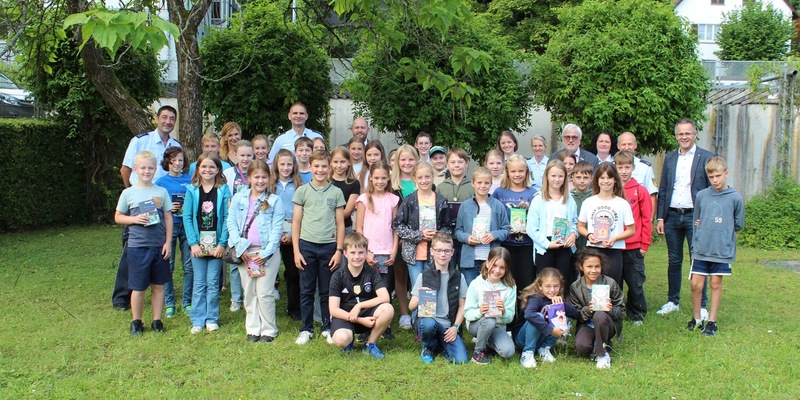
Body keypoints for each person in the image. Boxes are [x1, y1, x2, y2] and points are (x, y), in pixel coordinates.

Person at [113, 106, 180, 311]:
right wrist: (133, 194)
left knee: (157, 249)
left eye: (172, 119)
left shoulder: (176, 145)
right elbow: (125, 169)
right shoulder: (141, 141)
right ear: (157, 119)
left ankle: (154, 293)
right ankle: (122, 296)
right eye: (165, 117)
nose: (168, 121)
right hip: (140, 202)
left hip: (160, 201)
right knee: (131, 250)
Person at [656, 118, 715, 318]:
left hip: (695, 217)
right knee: (674, 260)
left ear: (695, 134)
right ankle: (673, 301)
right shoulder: (671, 158)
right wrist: (660, 218)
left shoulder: (706, 157)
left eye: (687, 133)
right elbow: (663, 189)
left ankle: (703, 305)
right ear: (676, 136)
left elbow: (711, 191)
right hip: (672, 216)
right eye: (680, 134)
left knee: (698, 261)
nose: (684, 137)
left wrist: (706, 218)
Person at [114, 151, 173, 335]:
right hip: (137, 247)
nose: (147, 171)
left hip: (158, 246)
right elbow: (118, 217)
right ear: (136, 170)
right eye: (143, 168)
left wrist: (168, 243)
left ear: (155, 169)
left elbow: (168, 218)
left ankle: (157, 320)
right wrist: (134, 219)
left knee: (158, 286)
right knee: (138, 287)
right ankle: (136, 321)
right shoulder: (128, 193)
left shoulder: (161, 192)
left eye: (150, 168)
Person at [292, 150, 346, 345]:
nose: (320, 170)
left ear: (329, 167)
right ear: (310, 167)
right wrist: (296, 251)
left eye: (324, 166)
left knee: (327, 290)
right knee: (306, 289)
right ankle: (306, 328)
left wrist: (339, 251)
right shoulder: (302, 191)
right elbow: (296, 223)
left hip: (329, 247)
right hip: (307, 246)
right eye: (317, 166)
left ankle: (327, 326)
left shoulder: (336, 192)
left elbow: (340, 224)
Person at [687, 156, 744, 336]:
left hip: (721, 250)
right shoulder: (702, 195)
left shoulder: (735, 197)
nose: (715, 180)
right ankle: (697, 319)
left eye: (718, 176)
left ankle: (712, 321)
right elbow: (697, 219)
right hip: (701, 248)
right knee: (696, 284)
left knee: (715, 283)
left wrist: (722, 230)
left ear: (726, 173)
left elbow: (739, 223)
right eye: (711, 177)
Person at [227, 160, 284, 343]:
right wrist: (240, 247)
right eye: (256, 177)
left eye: (264, 177)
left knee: (265, 291)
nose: (260, 181)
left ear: (269, 178)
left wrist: (266, 253)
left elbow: (276, 229)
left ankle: (268, 329)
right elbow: (232, 223)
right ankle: (253, 328)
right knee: (249, 291)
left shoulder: (274, 201)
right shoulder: (239, 198)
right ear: (249, 178)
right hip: (245, 252)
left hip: (266, 253)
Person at [184, 152, 231, 334]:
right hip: (198, 243)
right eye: (204, 166)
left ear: (218, 169)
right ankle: (197, 319)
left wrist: (222, 243)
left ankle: (211, 318)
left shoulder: (223, 190)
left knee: (213, 282)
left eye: (212, 166)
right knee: (199, 282)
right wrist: (193, 243)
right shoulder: (191, 190)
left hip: (216, 244)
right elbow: (187, 217)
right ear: (198, 169)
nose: (207, 170)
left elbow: (228, 217)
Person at [329, 232, 395, 358]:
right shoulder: (338, 276)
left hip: (367, 313)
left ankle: (370, 344)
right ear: (345, 254)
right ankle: (349, 340)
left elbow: (385, 297)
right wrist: (359, 320)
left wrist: (359, 306)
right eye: (353, 253)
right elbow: (333, 309)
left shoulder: (372, 272)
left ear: (366, 253)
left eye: (361, 252)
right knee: (341, 339)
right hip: (345, 316)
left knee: (388, 309)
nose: (357, 257)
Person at [355, 161, 400, 340]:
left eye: (383, 178)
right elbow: (359, 228)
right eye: (376, 178)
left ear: (388, 178)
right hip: (369, 253)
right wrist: (365, 252)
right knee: (368, 290)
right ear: (371, 179)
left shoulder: (393, 199)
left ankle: (384, 325)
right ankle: (367, 326)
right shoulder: (364, 199)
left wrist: (394, 251)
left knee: (385, 289)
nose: (380, 181)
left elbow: (395, 228)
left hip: (386, 253)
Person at [409, 232, 469, 364]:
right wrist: (420, 297)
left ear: (452, 252)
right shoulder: (424, 276)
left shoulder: (459, 277)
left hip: (448, 326)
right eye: (439, 250)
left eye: (447, 251)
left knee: (461, 360)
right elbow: (411, 306)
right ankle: (427, 347)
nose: (443, 254)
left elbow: (462, 306)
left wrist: (456, 327)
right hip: (429, 321)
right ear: (432, 251)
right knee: (428, 324)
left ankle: (438, 345)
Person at [394, 163, 452, 291]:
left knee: (432, 287)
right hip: (413, 254)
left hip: (435, 253)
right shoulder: (409, 201)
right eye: (420, 178)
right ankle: (416, 312)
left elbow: (447, 227)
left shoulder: (441, 201)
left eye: (427, 177)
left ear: (432, 177)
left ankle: (435, 311)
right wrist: (419, 235)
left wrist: (436, 235)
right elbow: (398, 225)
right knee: (417, 288)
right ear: (415, 178)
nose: (424, 181)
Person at [577, 162, 635, 286]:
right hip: (593, 249)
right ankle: (589, 306)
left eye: (609, 178)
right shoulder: (589, 202)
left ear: (615, 180)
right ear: (596, 180)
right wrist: (589, 235)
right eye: (602, 178)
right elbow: (580, 226)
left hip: (614, 250)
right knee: (591, 284)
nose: (605, 181)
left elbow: (631, 230)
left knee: (612, 285)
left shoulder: (622, 203)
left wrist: (615, 238)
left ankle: (613, 306)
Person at [614, 151, 653, 325]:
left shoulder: (640, 191)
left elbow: (646, 219)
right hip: (614, 245)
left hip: (633, 246)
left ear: (633, 168)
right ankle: (616, 310)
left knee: (635, 282)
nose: (623, 171)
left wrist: (644, 244)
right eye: (620, 167)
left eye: (627, 167)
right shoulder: (611, 190)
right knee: (615, 282)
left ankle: (637, 312)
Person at [569, 248, 624, 369]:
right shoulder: (575, 286)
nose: (593, 270)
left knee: (599, 315)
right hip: (587, 324)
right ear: (581, 267)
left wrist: (610, 310)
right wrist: (589, 309)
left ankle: (602, 354)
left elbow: (621, 312)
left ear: (601, 267)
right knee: (581, 347)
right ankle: (602, 343)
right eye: (589, 267)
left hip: (607, 323)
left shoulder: (610, 283)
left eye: (597, 267)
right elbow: (577, 314)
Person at [514, 267, 580, 368]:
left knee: (562, 316)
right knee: (538, 316)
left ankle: (544, 348)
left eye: (556, 286)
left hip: (540, 338)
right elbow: (529, 314)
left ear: (560, 287)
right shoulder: (536, 298)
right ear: (540, 286)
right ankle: (527, 353)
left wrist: (561, 305)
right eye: (548, 286)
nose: (552, 290)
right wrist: (550, 330)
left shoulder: (557, 299)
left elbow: (576, 315)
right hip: (523, 339)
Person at [454, 167, 510, 286]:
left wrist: (494, 235)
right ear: (472, 183)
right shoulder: (465, 206)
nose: (483, 186)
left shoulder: (498, 206)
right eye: (479, 182)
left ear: (491, 184)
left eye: (486, 183)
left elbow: (506, 229)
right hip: (470, 260)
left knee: (490, 292)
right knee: (471, 292)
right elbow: (458, 231)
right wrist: (467, 238)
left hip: (492, 260)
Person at [491, 154, 538, 294]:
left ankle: (524, 315)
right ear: (507, 172)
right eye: (513, 171)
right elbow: (493, 216)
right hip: (506, 244)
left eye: (521, 171)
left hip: (527, 244)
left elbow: (537, 218)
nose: (517, 175)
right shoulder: (499, 192)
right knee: (506, 281)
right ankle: (507, 314)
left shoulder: (533, 193)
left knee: (526, 283)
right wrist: (503, 229)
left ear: (526, 172)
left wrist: (528, 228)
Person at [155, 147, 192, 318]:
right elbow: (155, 209)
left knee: (188, 265)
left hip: (187, 226)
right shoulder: (161, 183)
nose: (177, 163)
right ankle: (170, 303)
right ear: (167, 162)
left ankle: (187, 302)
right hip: (169, 227)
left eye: (180, 160)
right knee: (167, 266)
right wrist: (168, 209)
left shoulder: (190, 180)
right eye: (174, 160)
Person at [463, 247, 517, 365]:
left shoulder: (510, 287)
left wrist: (503, 312)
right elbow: (467, 312)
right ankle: (478, 353)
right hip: (476, 324)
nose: (497, 270)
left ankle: (486, 341)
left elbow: (510, 317)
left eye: (502, 267)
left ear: (506, 269)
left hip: (498, 326)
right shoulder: (476, 284)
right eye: (494, 265)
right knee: (490, 320)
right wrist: (479, 311)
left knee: (508, 352)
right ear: (487, 263)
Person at [526, 160, 578, 281]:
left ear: (565, 177)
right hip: (545, 246)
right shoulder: (538, 200)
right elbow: (531, 228)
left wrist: (573, 233)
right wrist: (547, 244)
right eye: (553, 176)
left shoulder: (570, 200)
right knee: (545, 281)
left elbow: (575, 222)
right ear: (547, 177)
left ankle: (562, 300)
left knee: (563, 281)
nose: (557, 179)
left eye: (560, 176)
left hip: (564, 244)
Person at [389, 144, 420, 329]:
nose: (407, 163)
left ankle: (420, 312)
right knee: (400, 275)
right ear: (397, 162)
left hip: (421, 237)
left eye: (411, 159)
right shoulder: (393, 186)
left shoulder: (424, 181)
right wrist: (397, 237)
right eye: (403, 159)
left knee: (419, 276)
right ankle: (404, 313)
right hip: (399, 237)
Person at [271, 149, 303, 321]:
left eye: (289, 164)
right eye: (282, 164)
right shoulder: (270, 185)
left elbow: (302, 212)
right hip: (273, 234)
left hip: (293, 232)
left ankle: (294, 308)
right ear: (276, 165)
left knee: (293, 273)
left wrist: (291, 234)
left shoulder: (298, 185)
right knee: (268, 272)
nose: (285, 167)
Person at [223, 140, 255, 312]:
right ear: (235, 155)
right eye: (242, 155)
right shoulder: (229, 173)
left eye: (249, 155)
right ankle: (236, 298)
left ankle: (251, 294)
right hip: (235, 222)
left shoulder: (257, 170)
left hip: (254, 222)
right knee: (236, 260)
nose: (245, 159)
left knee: (252, 258)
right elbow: (226, 196)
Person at [617, 132, 658, 218]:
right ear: (618, 146)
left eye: (630, 144)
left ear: (635, 145)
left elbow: (652, 195)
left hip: (639, 215)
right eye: (624, 144)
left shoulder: (645, 167)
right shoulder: (612, 166)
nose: (627, 147)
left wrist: (650, 220)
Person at [329, 146, 361, 236]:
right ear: (330, 163)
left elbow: (348, 210)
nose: (339, 166)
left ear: (349, 162)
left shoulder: (354, 183)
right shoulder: (326, 182)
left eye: (342, 162)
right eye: (335, 162)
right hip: (324, 227)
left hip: (345, 227)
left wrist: (328, 219)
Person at [570, 161, 594, 252]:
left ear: (591, 178)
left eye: (586, 177)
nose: (582, 181)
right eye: (578, 177)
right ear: (573, 178)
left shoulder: (595, 197)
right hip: (573, 243)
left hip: (591, 242)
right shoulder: (568, 197)